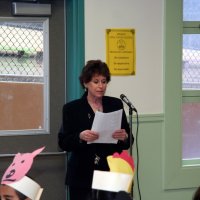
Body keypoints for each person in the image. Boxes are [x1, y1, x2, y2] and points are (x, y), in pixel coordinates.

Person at [58, 59, 134, 200]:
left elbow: (129, 139)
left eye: (104, 82)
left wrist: (124, 136)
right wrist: (80, 136)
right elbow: (63, 142)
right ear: (86, 83)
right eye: (96, 81)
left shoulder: (115, 104)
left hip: (110, 172)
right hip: (82, 175)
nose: (101, 86)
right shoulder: (72, 108)